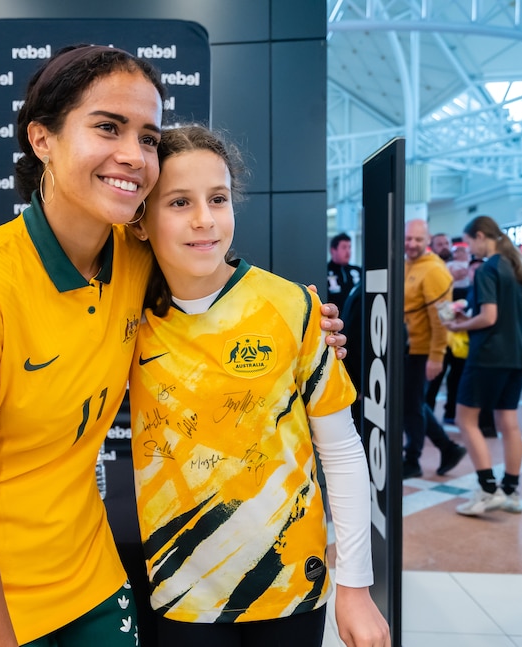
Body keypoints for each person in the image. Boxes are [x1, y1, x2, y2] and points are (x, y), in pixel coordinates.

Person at [0, 45, 347, 647]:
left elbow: (226, 289)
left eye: (149, 137)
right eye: (108, 127)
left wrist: (310, 319)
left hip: (90, 574)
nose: (133, 155)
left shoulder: (136, 257)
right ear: (42, 139)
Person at [127, 125, 390, 647]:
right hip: (182, 592)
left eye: (218, 198)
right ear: (140, 220)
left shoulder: (293, 307)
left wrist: (355, 585)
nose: (205, 219)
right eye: (179, 202)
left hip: (293, 583)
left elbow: (339, 448)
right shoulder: (123, 315)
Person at [442, 215, 522, 516]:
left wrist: (459, 327)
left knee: (466, 420)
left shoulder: (489, 268)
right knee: (509, 423)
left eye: (470, 241)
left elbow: (489, 317)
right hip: (517, 355)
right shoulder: (516, 268)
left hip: (489, 355)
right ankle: (511, 491)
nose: (470, 248)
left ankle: (488, 488)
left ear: (480, 236)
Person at [403, 219, 467, 479]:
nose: (412, 244)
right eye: (408, 238)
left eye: (418, 239)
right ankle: (448, 448)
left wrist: (436, 356)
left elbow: (443, 319)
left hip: (422, 350)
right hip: (407, 348)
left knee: (412, 406)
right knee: (412, 403)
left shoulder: (434, 271)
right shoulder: (407, 265)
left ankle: (413, 459)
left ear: (427, 240)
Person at [425, 242, 471, 424]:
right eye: (440, 243)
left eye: (447, 243)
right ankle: (427, 417)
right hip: (437, 335)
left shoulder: (468, 268)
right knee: (433, 378)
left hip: (460, 334)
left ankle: (450, 413)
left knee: (457, 376)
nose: (444, 246)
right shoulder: (434, 271)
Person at [327, 232, 361, 312]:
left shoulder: (358, 271)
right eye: (344, 247)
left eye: (349, 247)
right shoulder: (325, 272)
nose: (348, 251)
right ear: (333, 250)